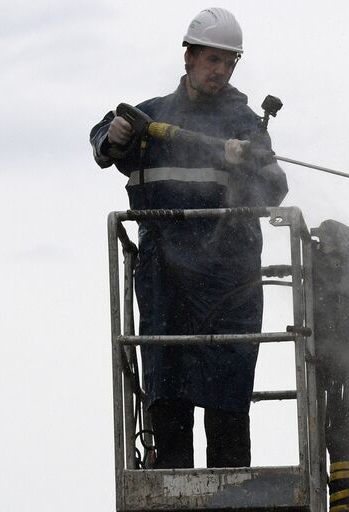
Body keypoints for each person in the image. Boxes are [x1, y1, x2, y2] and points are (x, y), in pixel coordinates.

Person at [90, 7, 288, 468]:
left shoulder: (246, 128)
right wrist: (113, 133)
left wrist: (250, 163)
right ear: (189, 56)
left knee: (227, 395)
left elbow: (275, 188)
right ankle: (173, 485)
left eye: (228, 62)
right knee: (167, 388)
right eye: (211, 60)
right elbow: (103, 143)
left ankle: (230, 493)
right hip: (165, 280)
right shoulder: (149, 120)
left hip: (229, 278)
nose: (219, 71)